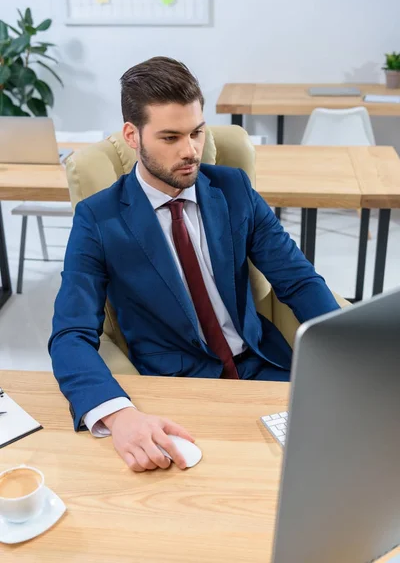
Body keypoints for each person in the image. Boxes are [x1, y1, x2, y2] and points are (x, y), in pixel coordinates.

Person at [49, 56, 340, 473]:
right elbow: (70, 334)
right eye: (170, 137)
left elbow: (297, 281)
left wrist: (347, 358)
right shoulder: (99, 218)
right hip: (177, 392)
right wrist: (120, 415)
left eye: (197, 133)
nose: (190, 151)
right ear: (133, 135)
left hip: (263, 370)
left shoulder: (233, 188)